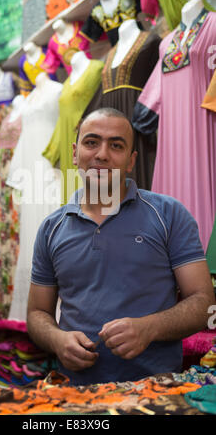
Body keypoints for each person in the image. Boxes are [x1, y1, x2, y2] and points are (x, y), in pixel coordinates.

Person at [26, 108, 215, 386]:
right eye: (91, 142)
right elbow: (37, 313)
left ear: (131, 160)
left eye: (116, 145)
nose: (102, 154)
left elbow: (205, 303)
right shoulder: (51, 228)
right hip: (74, 393)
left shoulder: (168, 214)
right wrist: (57, 339)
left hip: (156, 391)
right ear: (75, 153)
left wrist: (149, 328)